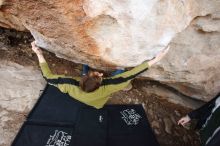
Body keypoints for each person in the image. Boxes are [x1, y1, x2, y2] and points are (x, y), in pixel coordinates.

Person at [31, 41, 169, 109]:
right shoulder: (109, 87)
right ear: (100, 84)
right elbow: (130, 74)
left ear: (82, 80)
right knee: (121, 72)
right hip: (99, 102)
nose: (100, 73)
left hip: (87, 99)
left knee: (85, 65)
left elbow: (47, 77)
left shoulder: (67, 84)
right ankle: (126, 86)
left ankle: (85, 66)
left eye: (95, 74)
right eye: (99, 76)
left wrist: (39, 53)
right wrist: (155, 60)